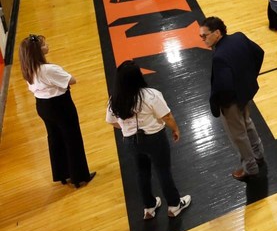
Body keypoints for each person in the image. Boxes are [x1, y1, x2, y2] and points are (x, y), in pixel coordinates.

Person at [105, 60, 191, 220]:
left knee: (141, 172)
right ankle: (174, 205)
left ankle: (149, 207)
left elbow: (111, 121)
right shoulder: (151, 95)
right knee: (163, 171)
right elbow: (167, 116)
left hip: (130, 141)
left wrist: (125, 128)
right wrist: (175, 129)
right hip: (155, 139)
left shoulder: (114, 99)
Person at [20, 34, 95, 188]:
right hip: (60, 105)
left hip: (42, 105)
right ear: (38, 51)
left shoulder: (28, 68)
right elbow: (72, 80)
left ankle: (62, 173)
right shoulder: (49, 69)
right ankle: (79, 176)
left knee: (54, 138)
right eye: (43, 44)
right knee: (72, 138)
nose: (47, 45)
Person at [201, 16, 266, 181]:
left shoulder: (219, 56)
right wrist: (250, 78)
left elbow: (224, 87)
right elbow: (259, 53)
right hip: (245, 93)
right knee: (247, 123)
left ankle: (250, 168)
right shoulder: (239, 37)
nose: (202, 39)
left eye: (205, 35)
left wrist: (221, 105)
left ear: (217, 33)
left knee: (238, 135)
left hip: (231, 102)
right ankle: (258, 153)